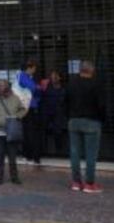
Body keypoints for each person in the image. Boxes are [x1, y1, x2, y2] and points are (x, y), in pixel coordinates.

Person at [67, 61, 105, 193]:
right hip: (91, 121)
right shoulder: (96, 84)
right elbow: (101, 105)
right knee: (91, 155)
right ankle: (89, 183)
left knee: (75, 153)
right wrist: (102, 119)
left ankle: (76, 182)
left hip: (74, 121)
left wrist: (69, 116)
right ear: (92, 71)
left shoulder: (71, 83)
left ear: (80, 70)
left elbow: (65, 101)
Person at [0, 79, 27, 185]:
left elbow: (23, 109)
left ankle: (14, 177)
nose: (0, 88)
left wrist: (17, 117)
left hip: (11, 132)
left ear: (8, 87)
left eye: (3, 86)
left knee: (12, 157)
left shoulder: (15, 98)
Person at [17, 60, 42, 165]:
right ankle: (30, 155)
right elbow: (33, 88)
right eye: (34, 68)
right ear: (29, 68)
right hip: (28, 107)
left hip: (31, 106)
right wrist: (37, 87)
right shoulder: (22, 76)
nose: (35, 71)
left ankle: (30, 155)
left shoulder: (29, 77)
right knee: (30, 132)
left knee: (30, 132)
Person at [39, 71, 67, 156]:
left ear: (60, 78)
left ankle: (59, 151)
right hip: (46, 112)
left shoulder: (63, 88)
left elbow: (64, 101)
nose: (53, 78)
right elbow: (41, 95)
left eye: (55, 76)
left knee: (58, 131)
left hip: (57, 113)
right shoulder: (46, 86)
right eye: (52, 76)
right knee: (43, 131)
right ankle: (42, 150)